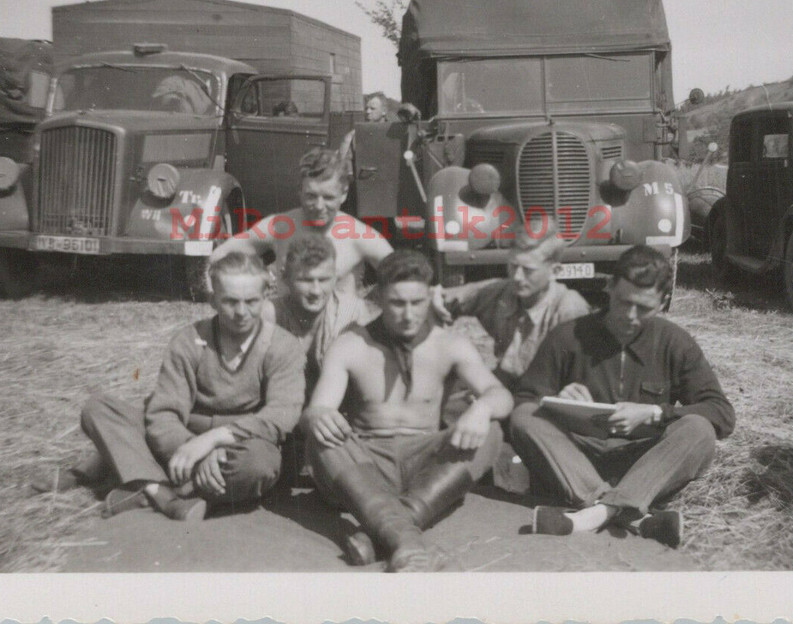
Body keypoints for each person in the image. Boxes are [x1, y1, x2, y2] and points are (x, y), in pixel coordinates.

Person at [301, 250, 513, 572]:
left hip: (427, 465)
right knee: (320, 437)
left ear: (429, 297)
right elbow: (318, 408)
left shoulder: (450, 344)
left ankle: (383, 533)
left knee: (492, 430)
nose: (408, 314)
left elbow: (501, 395)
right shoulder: (351, 344)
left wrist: (483, 407)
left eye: (417, 302)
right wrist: (318, 416)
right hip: (366, 464)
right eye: (397, 303)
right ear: (379, 299)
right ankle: (409, 544)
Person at [510, 245, 735, 548]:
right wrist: (556, 401)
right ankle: (631, 516)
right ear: (609, 286)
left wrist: (655, 413)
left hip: (646, 465)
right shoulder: (567, 336)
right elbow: (523, 399)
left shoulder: (675, 342)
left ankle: (591, 515)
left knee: (700, 430)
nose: (630, 316)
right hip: (577, 461)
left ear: (663, 302)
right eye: (623, 302)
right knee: (524, 417)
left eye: (643, 308)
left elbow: (721, 413)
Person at [65, 252, 307, 521]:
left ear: (264, 298)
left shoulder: (283, 346)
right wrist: (195, 451)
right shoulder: (190, 340)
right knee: (99, 409)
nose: (241, 312)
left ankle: (146, 483)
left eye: (251, 301)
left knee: (260, 464)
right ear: (213, 300)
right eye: (230, 301)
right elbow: (164, 413)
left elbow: (280, 417)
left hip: (240, 445)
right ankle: (164, 495)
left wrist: (212, 442)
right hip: (184, 438)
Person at [211, 146, 392, 295]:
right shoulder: (279, 226)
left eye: (328, 197)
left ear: (344, 194)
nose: (319, 206)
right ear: (300, 191)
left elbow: (405, 278)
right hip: (285, 334)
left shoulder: (359, 235)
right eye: (311, 196)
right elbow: (219, 256)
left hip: (339, 335)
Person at [434, 226, 591, 389]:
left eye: (528, 270)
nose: (517, 277)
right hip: (504, 388)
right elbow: (443, 297)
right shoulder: (501, 291)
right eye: (513, 266)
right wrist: (437, 303)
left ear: (555, 271)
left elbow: (579, 377)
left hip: (544, 395)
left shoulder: (569, 308)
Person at [269, 233, 370, 389]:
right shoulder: (269, 314)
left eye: (323, 280)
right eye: (306, 280)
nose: (315, 291)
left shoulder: (354, 314)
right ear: (285, 277)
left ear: (336, 277)